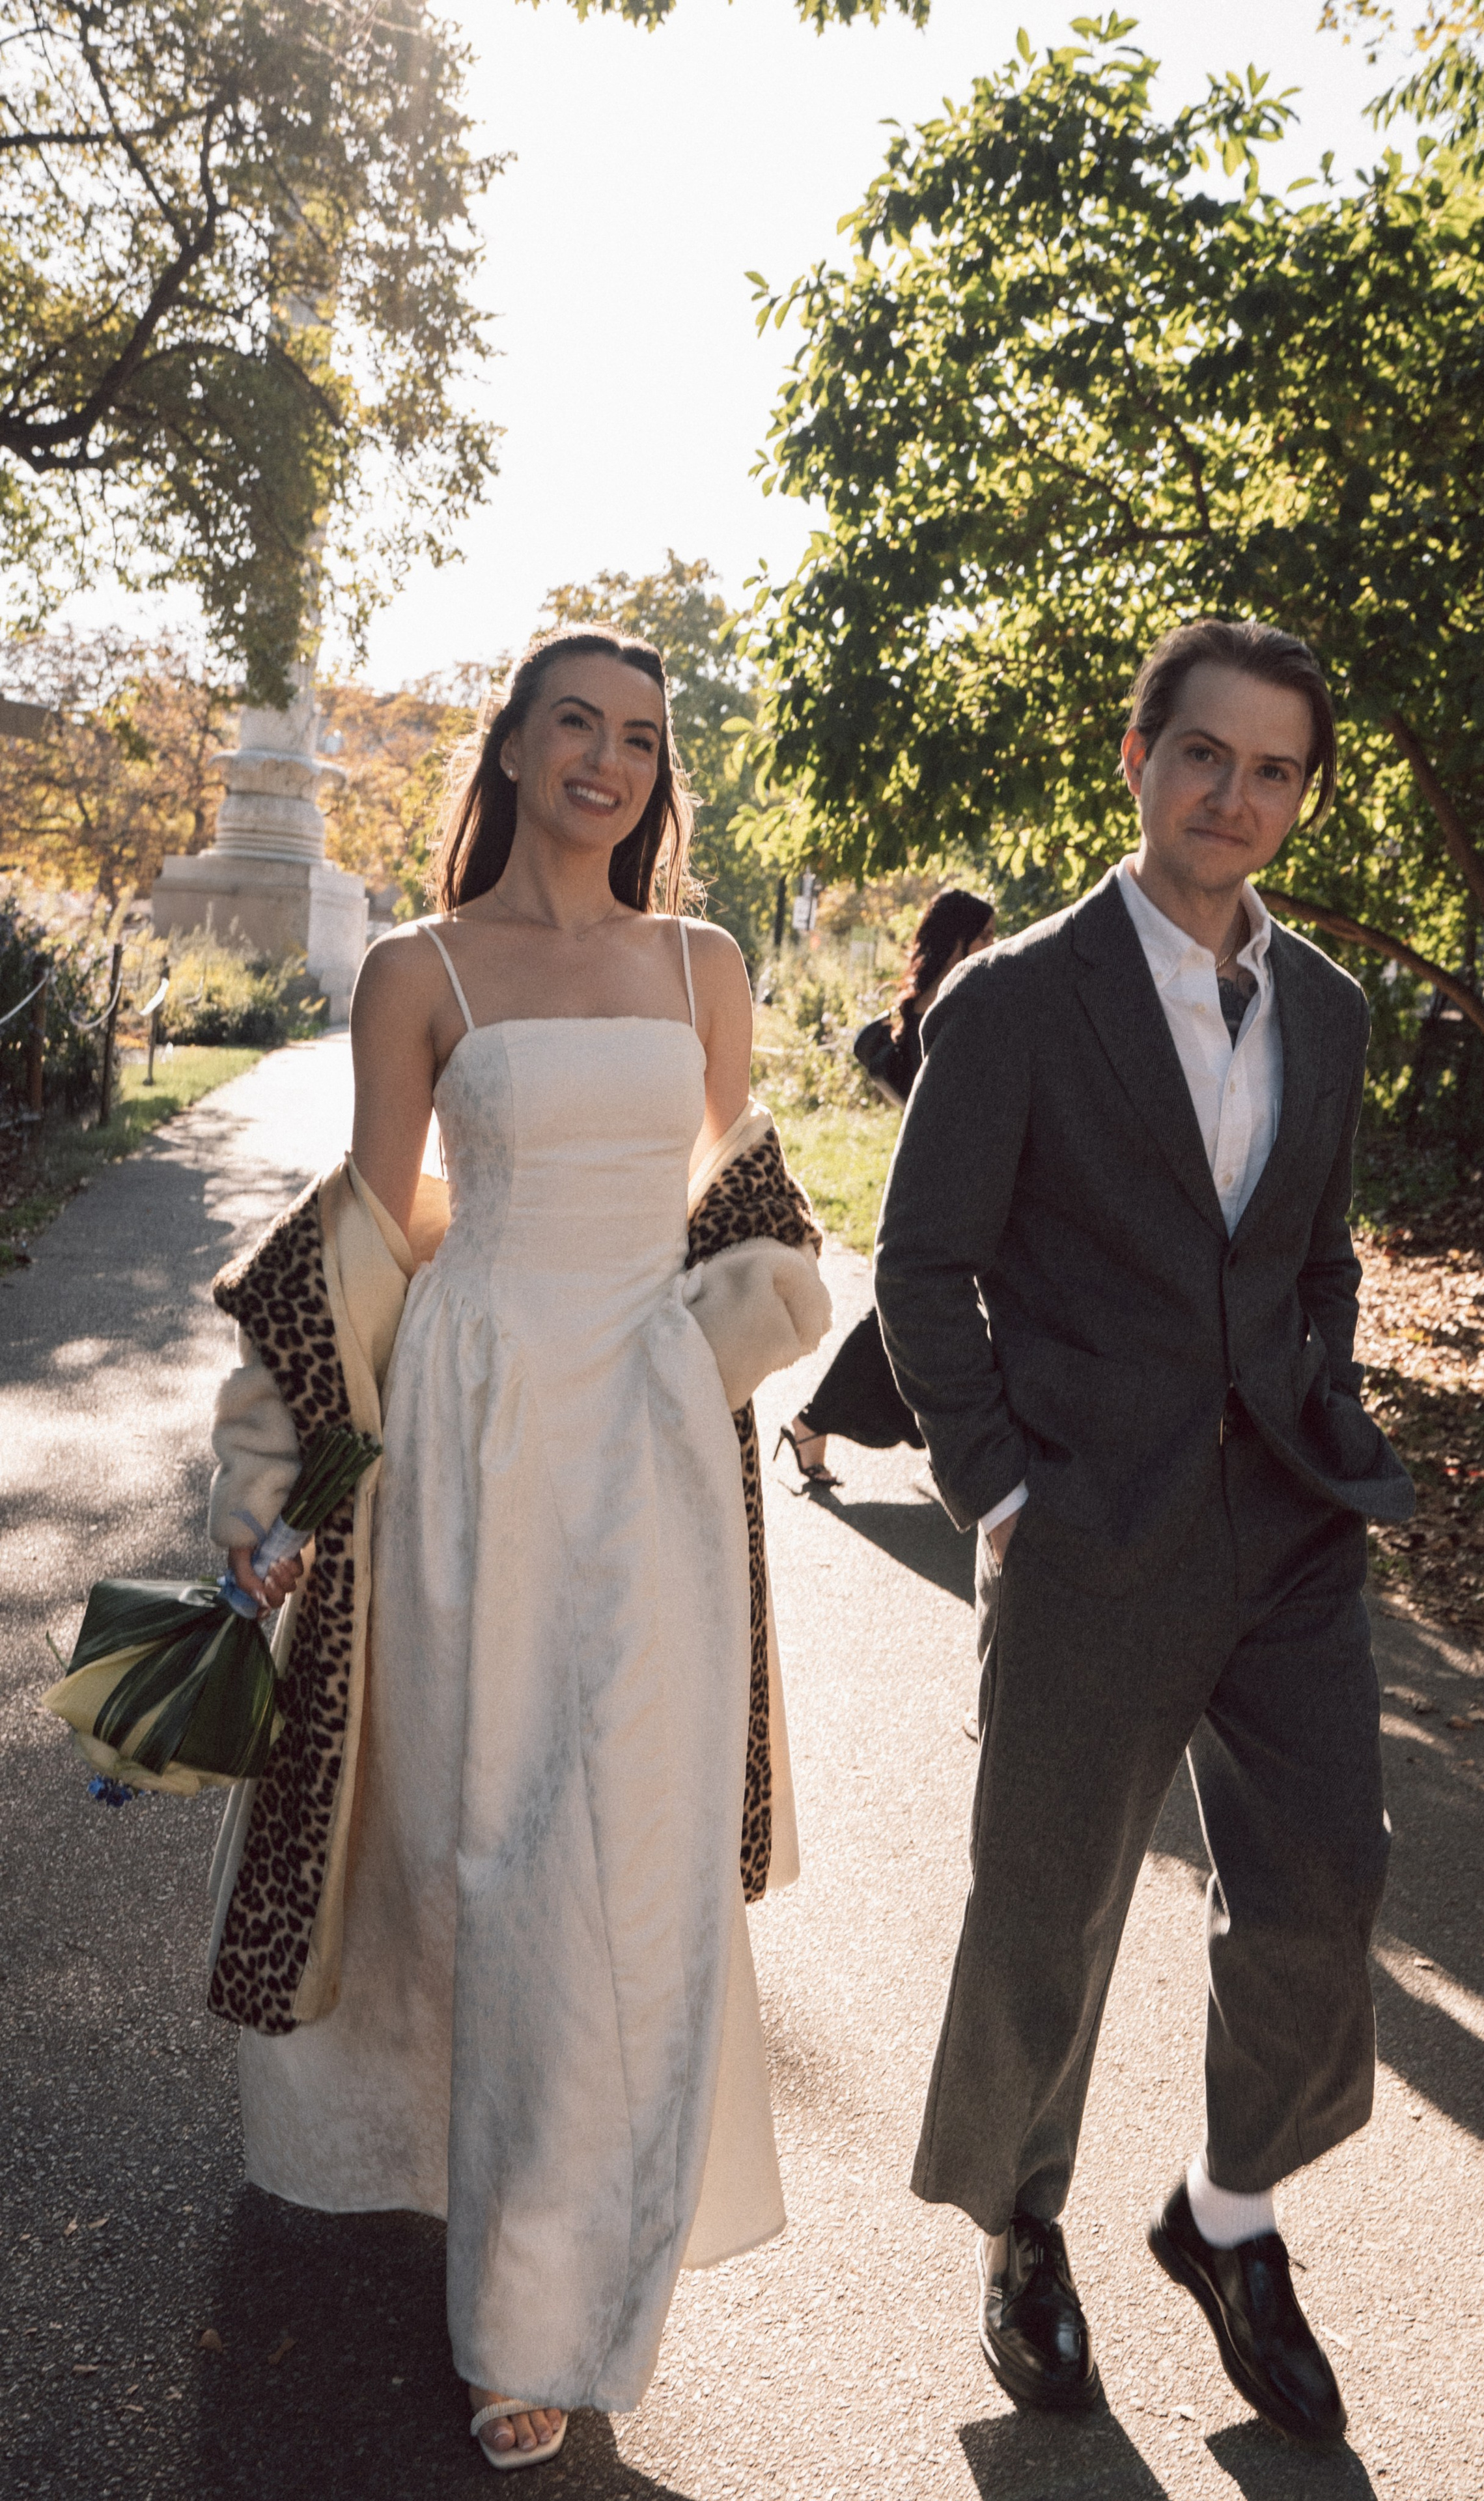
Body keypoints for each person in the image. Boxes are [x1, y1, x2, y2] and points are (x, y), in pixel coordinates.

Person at [204, 627, 830, 2468]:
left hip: (645, 1458)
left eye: (642, 737)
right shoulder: (417, 970)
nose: (612, 761)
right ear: (518, 744)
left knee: (619, 1873)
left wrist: (706, 1354)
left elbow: (752, 1208)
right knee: (486, 1858)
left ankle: (541, 2314)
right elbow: (373, 1238)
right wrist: (290, 1491)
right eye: (580, 723)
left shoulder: (704, 964)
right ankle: (487, 2228)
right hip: (471, 1449)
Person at [874, 618, 1414, 2445]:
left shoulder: (1329, 1008)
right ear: (1137, 757)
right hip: (1088, 1529)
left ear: (1302, 795)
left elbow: (1317, 1251)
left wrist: (1321, 1392)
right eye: (1205, 755)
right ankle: (1024, 2231)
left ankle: (1227, 2215)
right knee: (1048, 1909)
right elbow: (922, 1263)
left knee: (1328, 1875)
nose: (1234, 798)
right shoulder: (1018, 997)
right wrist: (1001, 1489)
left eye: (1274, 771)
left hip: (1287, 1531)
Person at [778, 888, 994, 1488]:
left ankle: (923, 1439)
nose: (996, 948)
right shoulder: (949, 1012)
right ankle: (815, 1423)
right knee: (905, 1320)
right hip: (943, 1193)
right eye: (986, 938)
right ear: (958, 943)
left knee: (924, 1320)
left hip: (964, 1186)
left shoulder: (935, 1009)